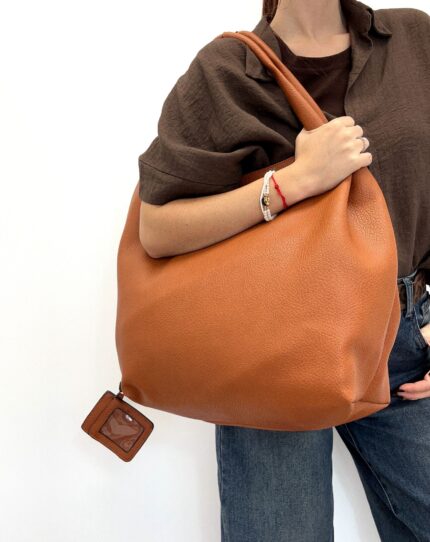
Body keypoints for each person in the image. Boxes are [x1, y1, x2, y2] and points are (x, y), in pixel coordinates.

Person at [137, 0, 430, 539]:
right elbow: (156, 230)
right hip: (273, 347)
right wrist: (294, 182)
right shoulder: (226, 72)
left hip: (403, 339)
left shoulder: (413, 39)